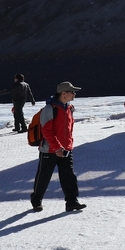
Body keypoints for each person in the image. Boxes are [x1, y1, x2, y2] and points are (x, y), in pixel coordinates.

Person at [32, 82, 87, 212]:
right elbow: (47, 131)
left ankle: (72, 201)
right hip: (50, 149)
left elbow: (68, 129)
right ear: (63, 93)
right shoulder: (50, 109)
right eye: (72, 92)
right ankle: (36, 199)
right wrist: (57, 147)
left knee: (69, 175)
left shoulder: (69, 107)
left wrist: (68, 145)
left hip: (66, 149)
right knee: (44, 176)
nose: (74, 94)